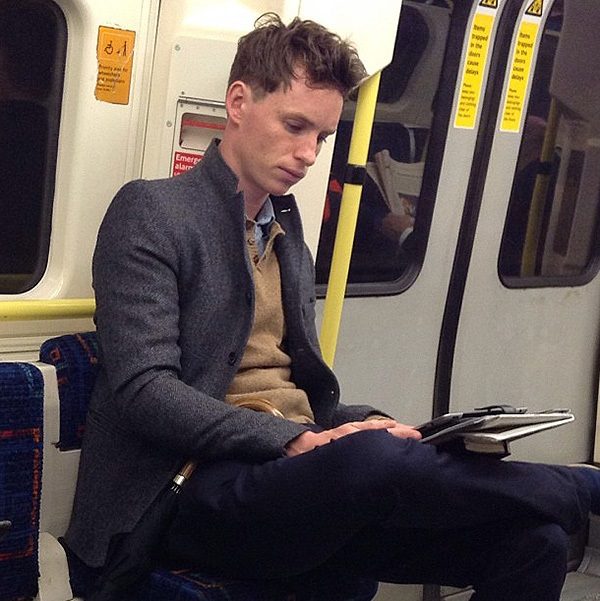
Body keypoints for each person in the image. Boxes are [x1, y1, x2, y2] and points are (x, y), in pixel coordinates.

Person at [65, 13, 600, 600]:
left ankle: (526, 485)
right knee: (369, 460)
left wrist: (376, 426)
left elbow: (303, 394)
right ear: (239, 103)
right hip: (186, 486)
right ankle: (577, 487)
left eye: (320, 137)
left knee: (535, 542)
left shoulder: (288, 236)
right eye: (295, 126)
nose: (308, 154)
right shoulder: (152, 212)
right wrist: (294, 440)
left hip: (290, 481)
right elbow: (146, 392)